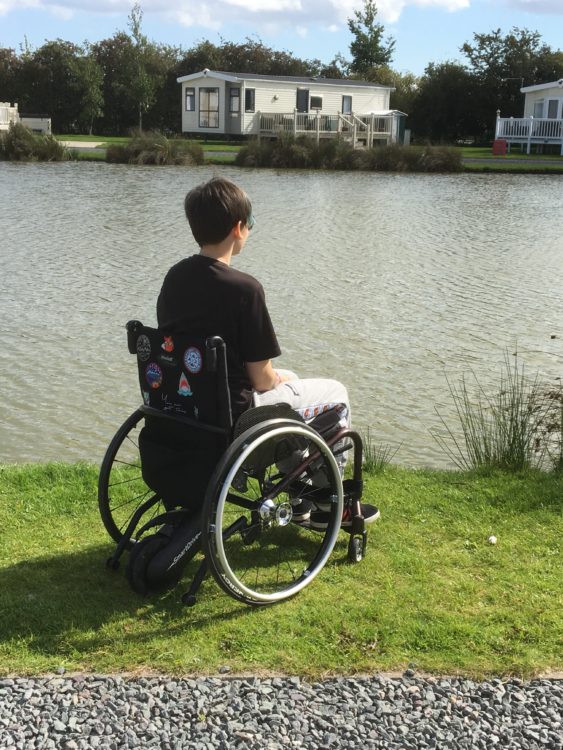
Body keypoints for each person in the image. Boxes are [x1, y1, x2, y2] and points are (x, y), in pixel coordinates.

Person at [156, 176, 379, 529]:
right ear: (239, 228)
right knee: (334, 394)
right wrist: (283, 377)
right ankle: (325, 503)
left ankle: (301, 494)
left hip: (184, 411)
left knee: (287, 393)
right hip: (233, 420)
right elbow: (261, 379)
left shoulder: (174, 278)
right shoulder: (244, 290)